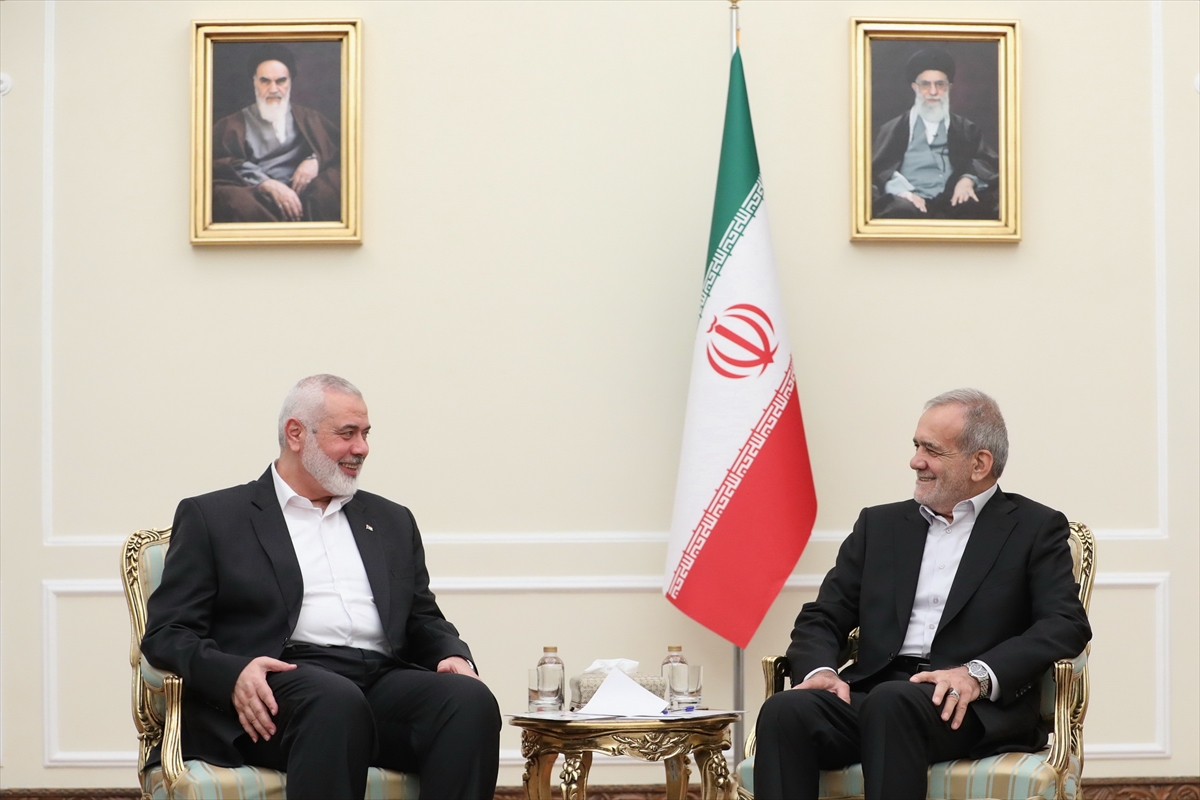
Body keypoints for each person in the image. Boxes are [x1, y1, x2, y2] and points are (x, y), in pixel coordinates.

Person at [142, 374, 501, 800]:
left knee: (468, 702)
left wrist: (450, 653)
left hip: (380, 680)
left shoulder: (391, 520)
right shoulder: (215, 517)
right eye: (347, 434)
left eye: (365, 434)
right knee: (334, 700)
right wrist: (233, 673)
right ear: (296, 434)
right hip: (283, 685)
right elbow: (167, 633)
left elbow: (421, 616)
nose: (361, 448)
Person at [753, 389, 1091, 800]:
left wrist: (976, 674)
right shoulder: (879, 526)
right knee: (786, 711)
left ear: (980, 464)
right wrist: (820, 671)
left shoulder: (1034, 528)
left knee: (892, 703)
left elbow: (1065, 623)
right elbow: (823, 615)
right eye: (916, 446)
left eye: (931, 450)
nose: (916, 461)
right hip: (875, 694)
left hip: (966, 708)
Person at [211, 44, 341, 223]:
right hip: (256, 193)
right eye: (265, 81)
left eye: (280, 81)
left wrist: (315, 160)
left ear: (290, 82)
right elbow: (222, 164)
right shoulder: (231, 124)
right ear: (254, 82)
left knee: (331, 187)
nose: (273, 89)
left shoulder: (309, 117)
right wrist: (267, 184)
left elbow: (338, 148)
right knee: (236, 201)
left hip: (305, 192)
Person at [872, 48, 1000, 220]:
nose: (933, 92)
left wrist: (967, 179)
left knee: (980, 208)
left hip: (953, 200)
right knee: (898, 211)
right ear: (915, 87)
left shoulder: (965, 128)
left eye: (940, 85)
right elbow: (879, 171)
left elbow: (986, 162)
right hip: (909, 202)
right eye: (925, 85)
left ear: (949, 88)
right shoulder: (893, 128)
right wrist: (903, 192)